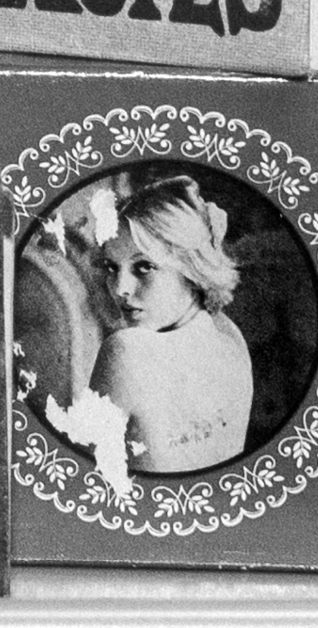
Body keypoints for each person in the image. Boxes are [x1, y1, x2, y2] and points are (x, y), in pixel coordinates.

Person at [86, 174, 254, 473]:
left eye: (144, 267)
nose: (120, 288)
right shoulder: (228, 335)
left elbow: (81, 479)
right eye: (112, 267)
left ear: (191, 269)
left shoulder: (127, 350)